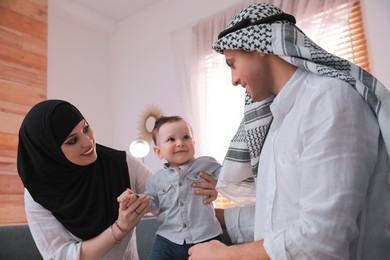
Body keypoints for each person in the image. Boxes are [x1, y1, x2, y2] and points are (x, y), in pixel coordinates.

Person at [188, 3, 390, 260]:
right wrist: (214, 216)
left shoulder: (329, 99)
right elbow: (279, 217)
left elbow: (321, 238)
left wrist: (224, 256)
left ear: (258, 47)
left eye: (232, 63)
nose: (234, 80)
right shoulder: (277, 120)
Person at [17, 100, 218, 260]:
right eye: (72, 141)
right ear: (49, 152)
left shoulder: (120, 163)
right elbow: (61, 256)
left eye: (86, 129)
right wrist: (120, 228)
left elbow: (169, 199)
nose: (88, 142)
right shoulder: (38, 194)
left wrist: (205, 189)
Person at [142, 115, 222, 260]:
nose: (180, 143)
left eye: (186, 137)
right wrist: (136, 201)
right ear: (158, 151)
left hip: (206, 236)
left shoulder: (207, 164)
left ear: (194, 143)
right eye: (171, 139)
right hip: (168, 240)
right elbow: (149, 203)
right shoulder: (156, 180)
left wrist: (219, 186)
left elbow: (230, 178)